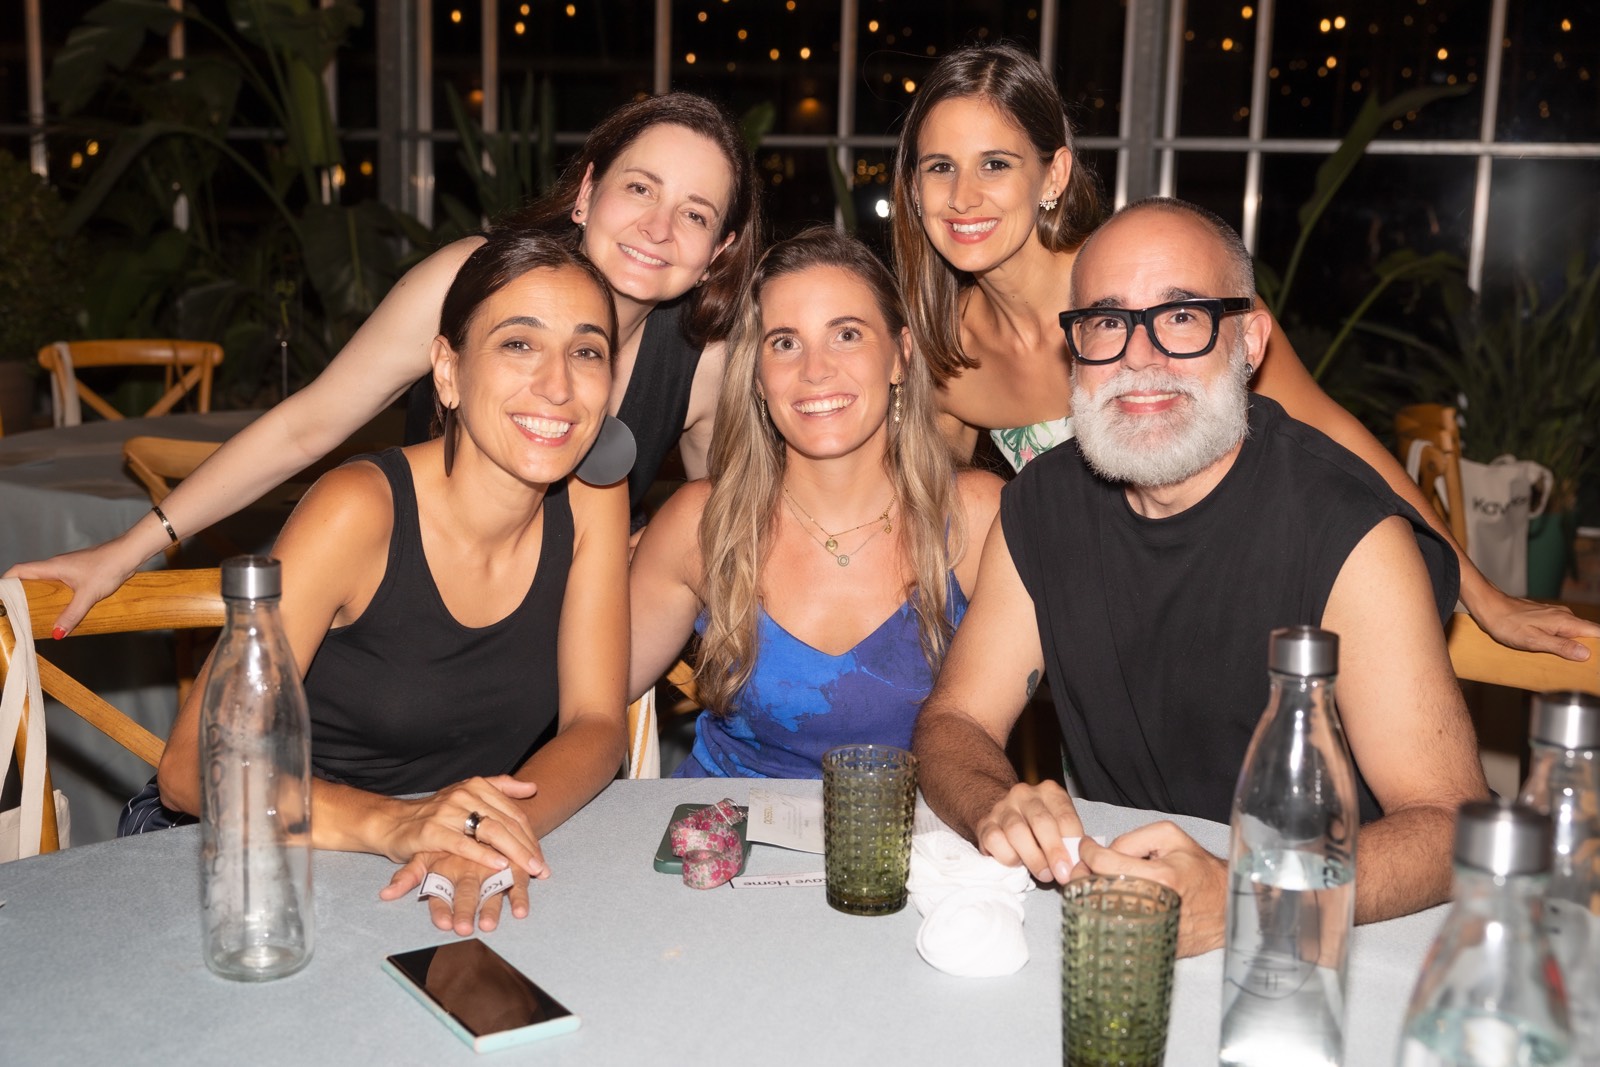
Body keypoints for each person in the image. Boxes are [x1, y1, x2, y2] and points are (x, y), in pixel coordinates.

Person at [913, 198, 1491, 957]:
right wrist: (997, 803)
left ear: (1248, 342)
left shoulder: (1347, 531)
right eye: (1107, 321)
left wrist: (1253, 896)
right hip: (1117, 915)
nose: (1138, 356)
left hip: (1313, 942)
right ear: (1075, 348)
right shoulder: (1041, 506)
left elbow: (1452, 820)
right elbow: (955, 721)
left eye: (1181, 317)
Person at [890, 42, 1597, 661]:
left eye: (994, 164)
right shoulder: (946, 357)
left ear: (1053, 175)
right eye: (939, 168)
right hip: (1109, 653)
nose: (963, 197)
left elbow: (1335, 433)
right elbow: (936, 519)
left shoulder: (1160, 287)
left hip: (1250, 612)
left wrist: (1482, 594)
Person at [9, 91, 759, 630]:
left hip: (551, 678)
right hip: (392, 633)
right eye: (639, 188)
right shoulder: (472, 281)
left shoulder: (702, 362)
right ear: (588, 192)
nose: (658, 228)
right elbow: (308, 426)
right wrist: (129, 550)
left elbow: (713, 529)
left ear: (718, 251)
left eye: (695, 214)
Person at [151, 232, 630, 936]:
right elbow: (192, 771)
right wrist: (397, 820)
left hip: (438, 875)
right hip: (268, 864)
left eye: (586, 351)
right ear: (446, 369)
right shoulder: (358, 510)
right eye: (518, 344)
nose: (558, 385)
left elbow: (597, 723)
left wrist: (488, 831)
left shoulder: (593, 493)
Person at [629, 227, 1001, 777]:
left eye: (846, 334)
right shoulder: (701, 524)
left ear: (900, 357)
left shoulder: (977, 517)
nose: (815, 369)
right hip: (727, 848)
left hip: (916, 850)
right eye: (784, 342)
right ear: (757, 376)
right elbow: (583, 701)